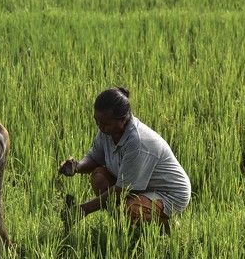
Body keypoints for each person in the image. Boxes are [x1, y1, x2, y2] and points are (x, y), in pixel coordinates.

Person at [58, 87, 190, 231]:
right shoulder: (108, 131)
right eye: (97, 122)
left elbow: (121, 190)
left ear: (123, 119)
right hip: (141, 187)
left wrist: (83, 210)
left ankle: (166, 227)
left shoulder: (138, 142)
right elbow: (95, 158)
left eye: (105, 124)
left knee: (131, 210)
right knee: (99, 176)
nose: (101, 128)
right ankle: (126, 226)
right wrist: (77, 167)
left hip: (168, 193)